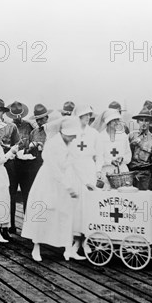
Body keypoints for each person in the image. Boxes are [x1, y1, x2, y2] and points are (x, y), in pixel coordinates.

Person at [21, 117, 81, 262]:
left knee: (65, 213)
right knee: (43, 213)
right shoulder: (52, 144)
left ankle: (68, 248)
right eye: (71, 135)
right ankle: (36, 247)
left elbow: (72, 163)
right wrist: (67, 185)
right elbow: (53, 168)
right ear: (63, 133)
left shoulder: (70, 143)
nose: (73, 137)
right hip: (48, 182)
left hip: (64, 181)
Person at [69, 105, 99, 258]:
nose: (87, 118)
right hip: (76, 173)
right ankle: (75, 241)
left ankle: (86, 240)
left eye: (89, 115)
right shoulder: (72, 133)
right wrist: (83, 178)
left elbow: (99, 154)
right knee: (76, 206)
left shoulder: (94, 133)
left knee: (89, 206)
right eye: (84, 115)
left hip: (90, 169)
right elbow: (71, 157)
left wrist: (98, 170)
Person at [5, 101, 36, 234]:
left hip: (26, 165)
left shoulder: (29, 126)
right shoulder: (8, 127)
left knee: (27, 194)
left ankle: (28, 226)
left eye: (19, 115)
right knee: (10, 194)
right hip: (12, 164)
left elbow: (34, 139)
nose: (17, 117)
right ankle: (11, 224)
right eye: (14, 115)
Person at [92, 108, 132, 183]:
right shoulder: (100, 137)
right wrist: (110, 161)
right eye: (114, 120)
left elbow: (128, 155)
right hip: (106, 172)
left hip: (122, 173)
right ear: (108, 122)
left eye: (118, 119)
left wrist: (122, 159)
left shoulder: (123, 136)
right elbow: (98, 158)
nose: (117, 122)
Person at [128, 105, 152, 190]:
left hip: (145, 176)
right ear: (137, 121)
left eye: (146, 120)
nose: (143, 123)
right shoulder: (131, 136)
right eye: (141, 120)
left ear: (150, 123)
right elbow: (124, 153)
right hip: (130, 174)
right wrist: (131, 145)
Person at [27, 104, 53, 185]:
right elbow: (28, 151)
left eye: (41, 119)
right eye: (37, 120)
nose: (39, 122)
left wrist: (43, 146)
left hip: (50, 165)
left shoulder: (53, 131)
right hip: (35, 165)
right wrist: (31, 147)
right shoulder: (34, 132)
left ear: (47, 118)